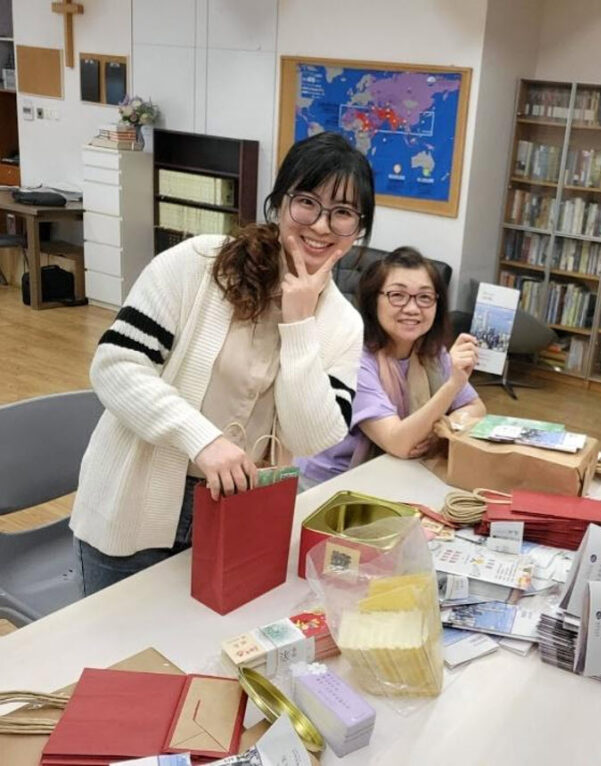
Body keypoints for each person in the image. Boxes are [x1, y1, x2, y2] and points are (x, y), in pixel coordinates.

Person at [71, 132, 374, 595]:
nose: (321, 225)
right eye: (307, 202)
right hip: (134, 500)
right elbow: (115, 366)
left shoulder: (343, 324)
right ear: (280, 203)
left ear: (358, 229)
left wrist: (298, 324)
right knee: (118, 639)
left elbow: (311, 437)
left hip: (242, 512)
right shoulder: (199, 264)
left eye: (343, 212)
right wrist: (202, 439)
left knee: (212, 638)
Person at [297, 247, 486, 487]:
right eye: (397, 295)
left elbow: (475, 408)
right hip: (331, 483)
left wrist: (440, 429)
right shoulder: (354, 358)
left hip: (398, 472)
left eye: (425, 297)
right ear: (373, 301)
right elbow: (399, 443)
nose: (412, 308)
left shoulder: (430, 352)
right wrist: (452, 385)